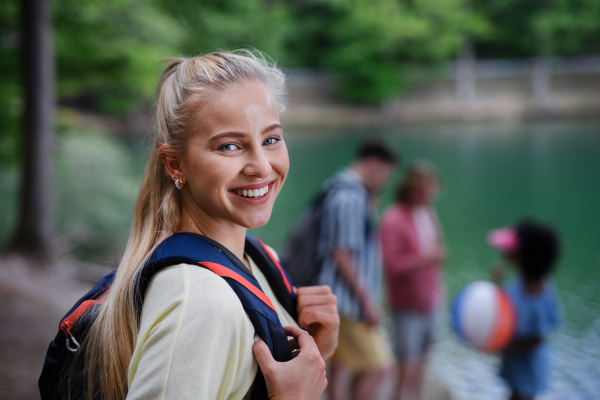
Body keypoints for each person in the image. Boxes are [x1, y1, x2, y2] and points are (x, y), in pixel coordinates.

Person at [78, 50, 339, 400]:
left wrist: (317, 352)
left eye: (271, 139)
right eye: (230, 146)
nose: (261, 166)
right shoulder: (201, 301)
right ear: (175, 165)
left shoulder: (256, 257)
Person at [314, 140, 398, 400]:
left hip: (334, 297)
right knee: (379, 368)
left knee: (341, 366)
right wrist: (368, 302)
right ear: (374, 164)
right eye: (385, 173)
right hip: (347, 302)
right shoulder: (350, 196)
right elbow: (342, 255)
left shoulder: (336, 187)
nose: (385, 180)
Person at [380, 161, 445, 400]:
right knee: (406, 368)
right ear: (412, 188)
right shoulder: (394, 219)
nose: (430, 193)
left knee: (423, 363)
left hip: (430, 300)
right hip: (406, 305)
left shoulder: (427, 211)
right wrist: (425, 259)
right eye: (425, 188)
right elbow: (391, 265)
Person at [488, 219, 561, 400]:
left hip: (527, 365)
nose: (507, 253)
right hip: (515, 361)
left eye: (513, 250)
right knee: (514, 394)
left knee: (522, 396)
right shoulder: (524, 280)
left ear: (525, 255)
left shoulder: (539, 293)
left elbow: (536, 338)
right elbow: (510, 306)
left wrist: (505, 345)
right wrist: (498, 284)